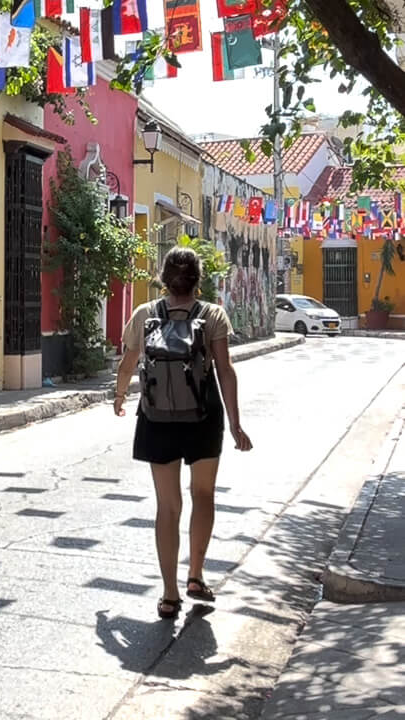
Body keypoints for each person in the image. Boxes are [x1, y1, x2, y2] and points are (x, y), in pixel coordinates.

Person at [114, 246, 252, 619]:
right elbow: (225, 370)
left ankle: (170, 594)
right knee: (203, 494)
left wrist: (120, 394)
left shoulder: (145, 314)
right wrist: (236, 422)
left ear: (163, 278)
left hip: (156, 418)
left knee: (167, 506)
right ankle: (196, 575)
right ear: (197, 280)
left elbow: (128, 362)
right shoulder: (212, 316)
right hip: (203, 417)